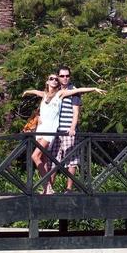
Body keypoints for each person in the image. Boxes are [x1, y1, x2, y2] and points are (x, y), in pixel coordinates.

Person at [22, 76, 105, 194]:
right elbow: (35, 91)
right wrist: (27, 91)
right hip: (41, 129)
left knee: (35, 156)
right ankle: (47, 189)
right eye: (51, 79)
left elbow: (78, 90)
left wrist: (94, 89)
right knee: (43, 159)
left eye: (56, 79)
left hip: (50, 130)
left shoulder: (60, 94)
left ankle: (47, 186)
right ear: (47, 81)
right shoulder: (44, 94)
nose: (54, 81)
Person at [49, 65, 81, 193]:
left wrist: (72, 127)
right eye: (62, 76)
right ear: (58, 76)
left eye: (67, 76)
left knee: (71, 160)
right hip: (55, 131)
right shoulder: (55, 90)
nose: (65, 78)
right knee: (52, 160)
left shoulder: (74, 91)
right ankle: (49, 188)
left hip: (68, 130)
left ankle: (69, 189)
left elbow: (76, 112)